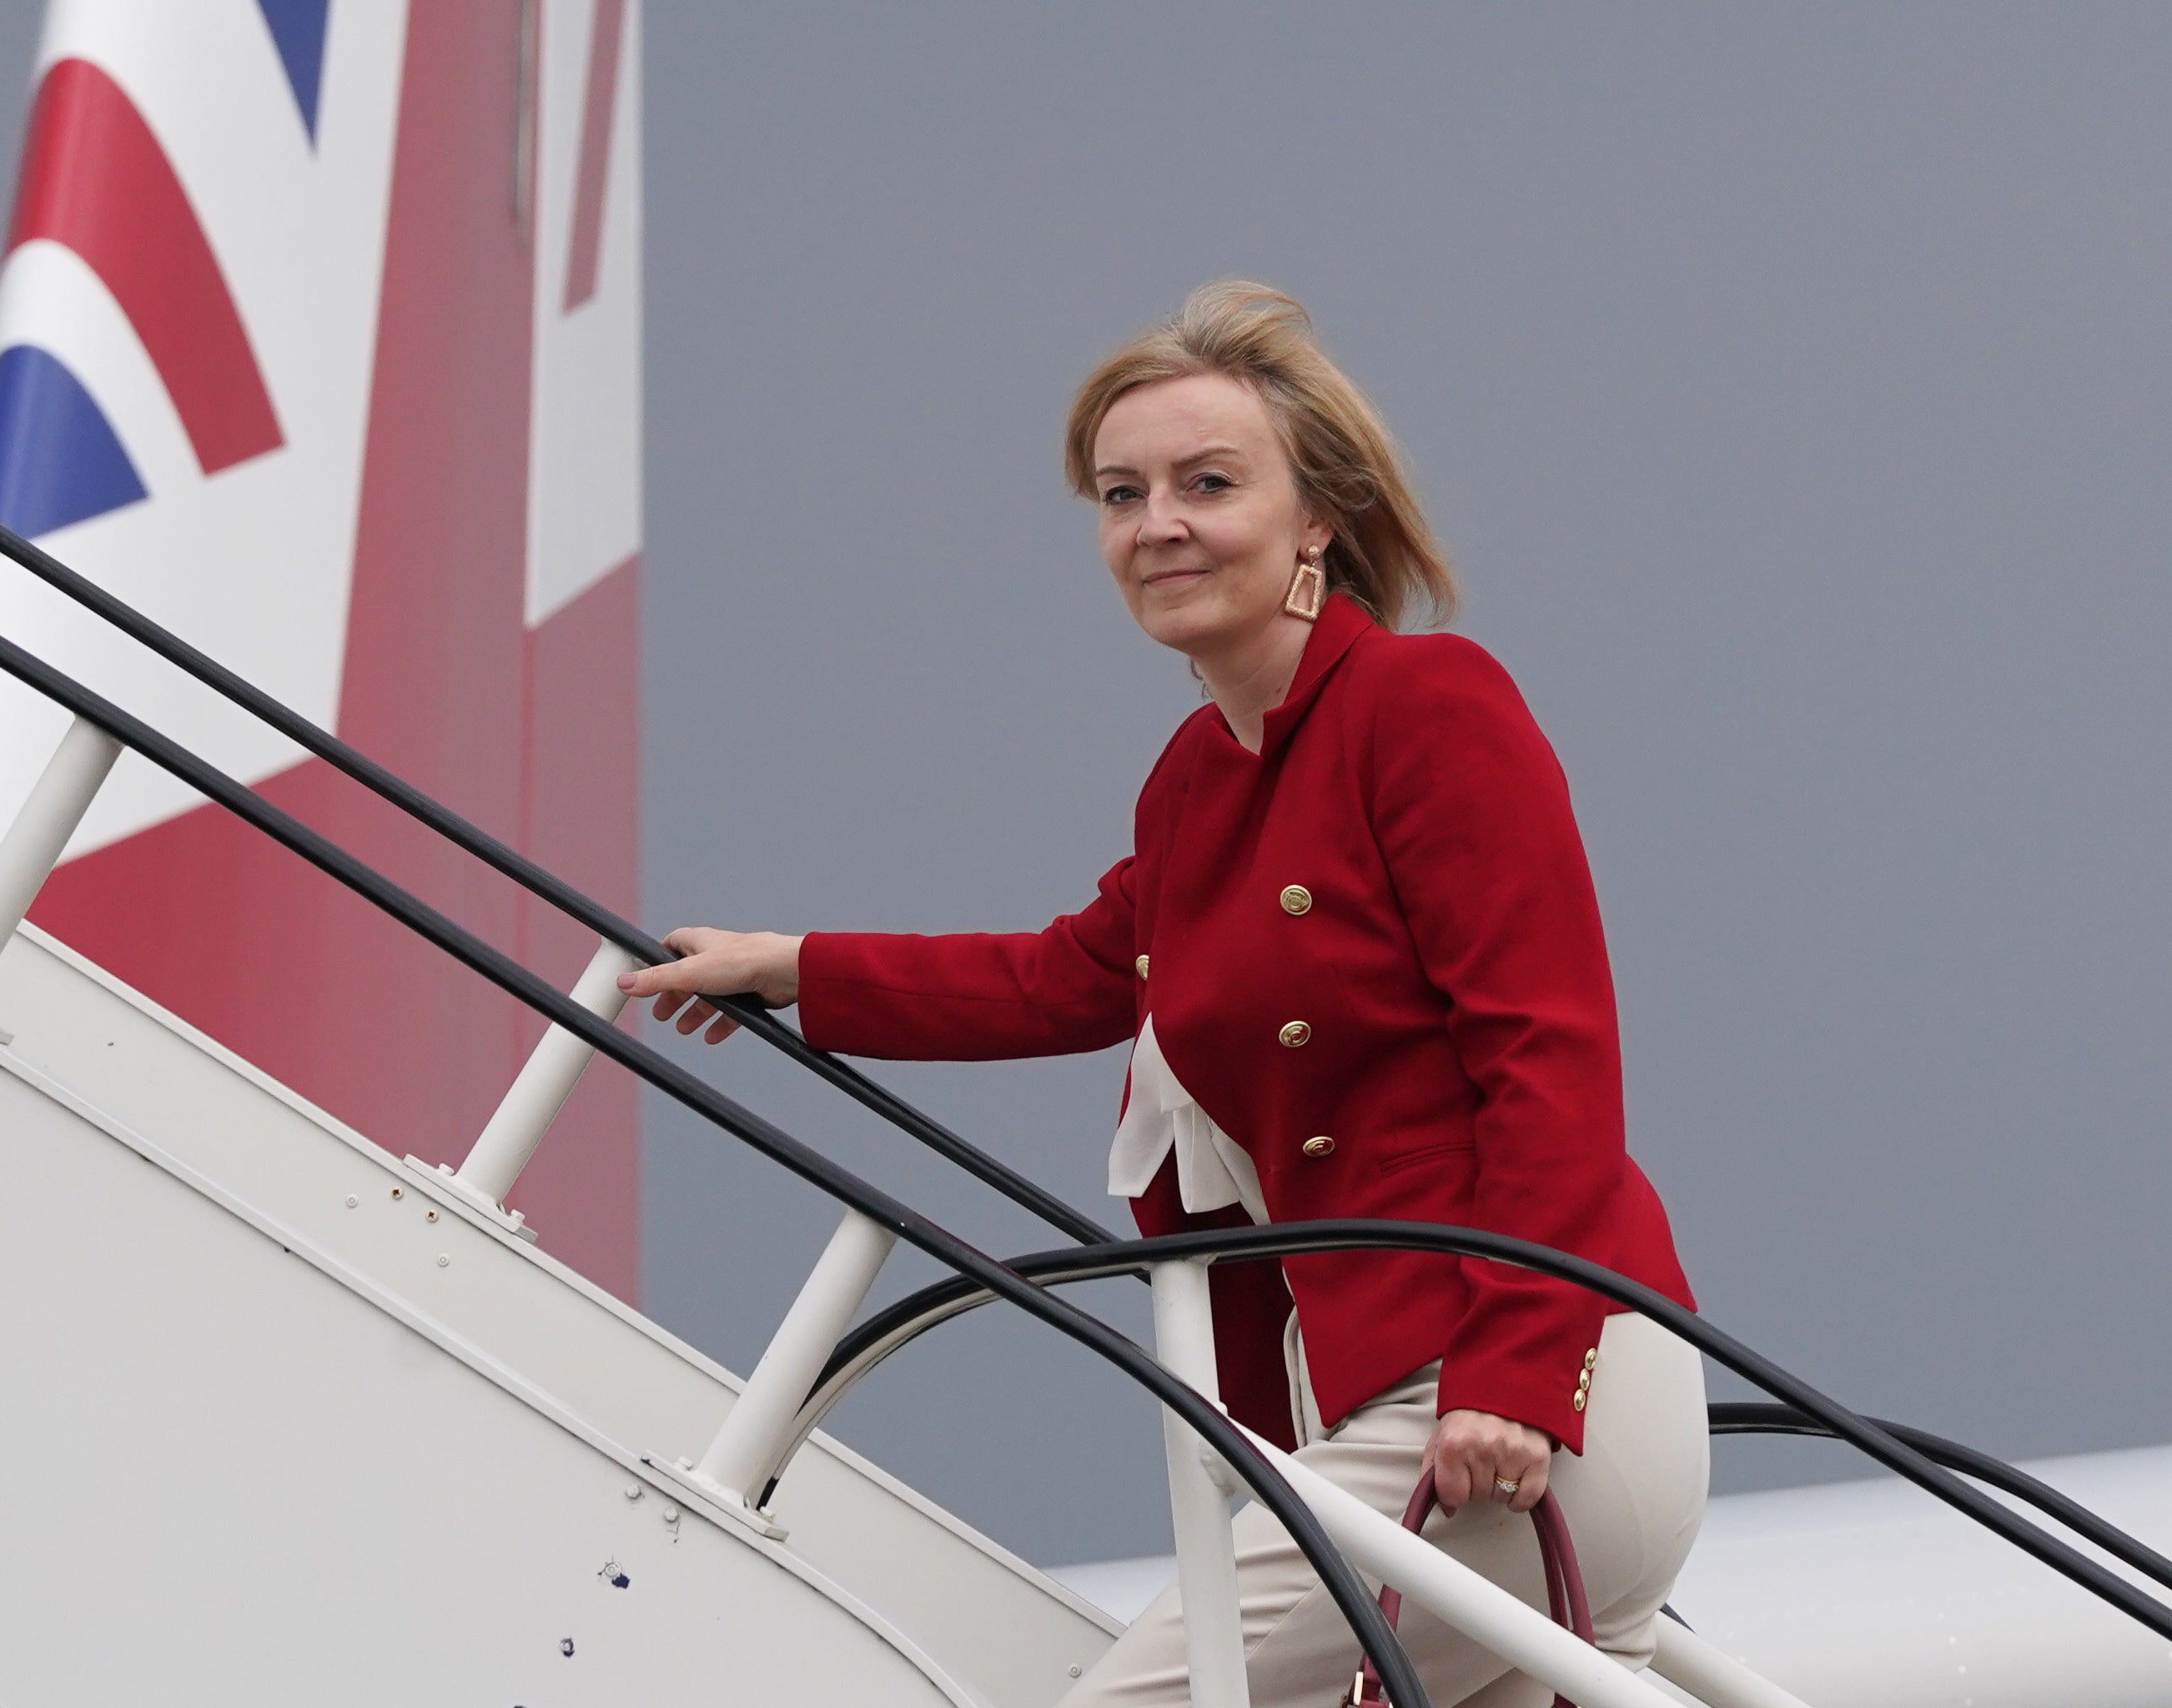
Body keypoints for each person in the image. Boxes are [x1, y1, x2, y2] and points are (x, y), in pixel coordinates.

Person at [620, 281, 1708, 1706]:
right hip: (1393, 1391)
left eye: (1208, 483)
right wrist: (797, 970)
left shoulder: (1426, 706)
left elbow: (1551, 1055)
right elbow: (1069, 976)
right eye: (1120, 494)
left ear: (1318, 516)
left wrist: (1511, 1366)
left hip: (1515, 1384)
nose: (1157, 526)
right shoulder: (1199, 785)